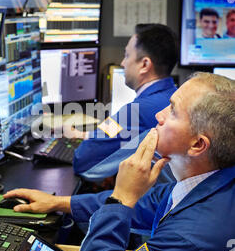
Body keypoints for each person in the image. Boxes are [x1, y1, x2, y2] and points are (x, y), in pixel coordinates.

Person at [4, 72, 235, 251]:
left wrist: (122, 198)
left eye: (172, 111)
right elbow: (148, 204)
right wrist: (60, 202)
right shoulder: (210, 182)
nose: (158, 115)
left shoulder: (191, 235)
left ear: (197, 145)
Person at [70, 23, 178, 176]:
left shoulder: (135, 111)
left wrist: (91, 137)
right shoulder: (173, 96)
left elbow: (82, 160)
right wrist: (87, 135)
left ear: (145, 64)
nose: (122, 63)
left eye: (127, 56)